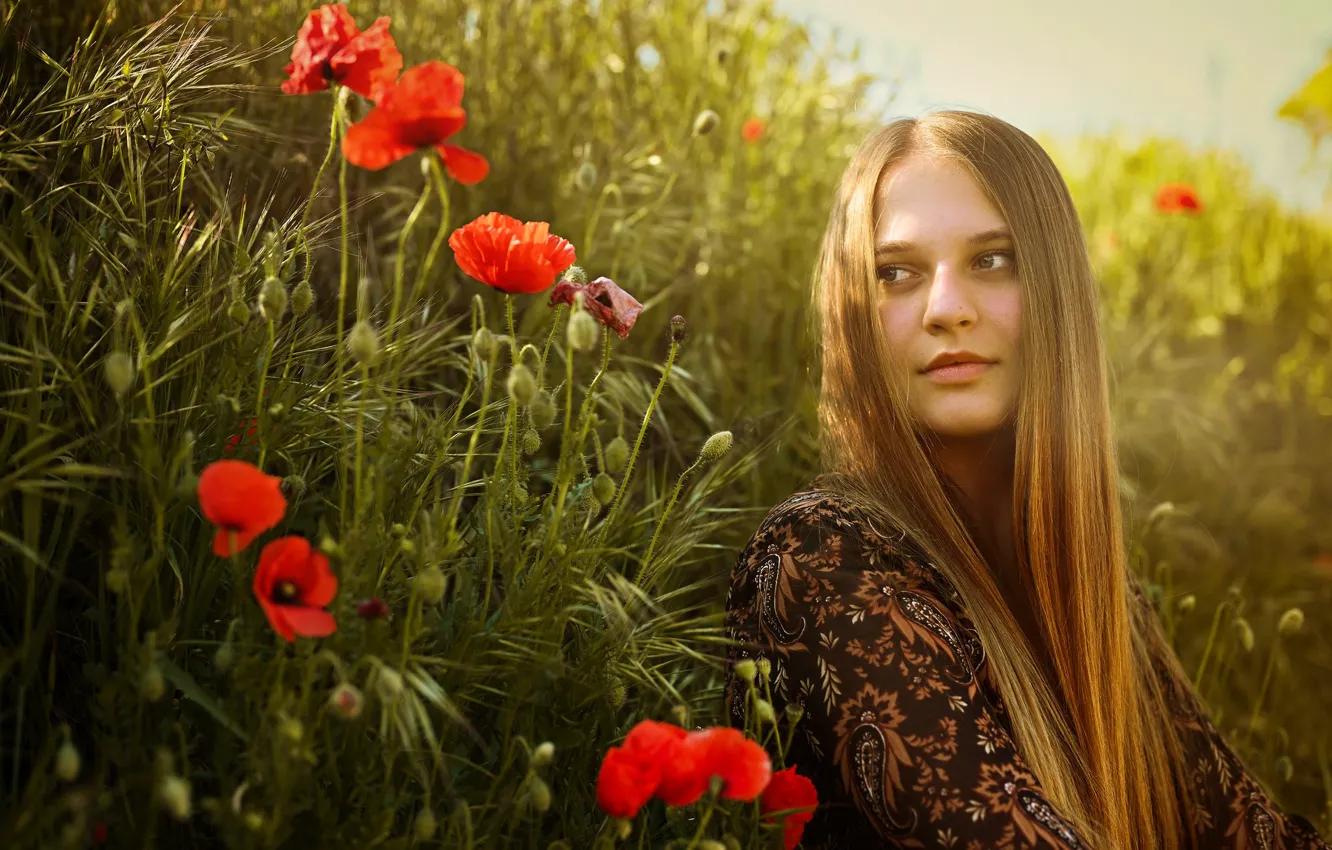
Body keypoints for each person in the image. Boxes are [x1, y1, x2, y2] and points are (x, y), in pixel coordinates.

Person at [722, 111, 1329, 850]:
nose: (947, 309)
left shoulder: (1095, 593)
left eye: (991, 260)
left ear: (1055, 290)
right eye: (897, 273)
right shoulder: (821, 556)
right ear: (855, 313)